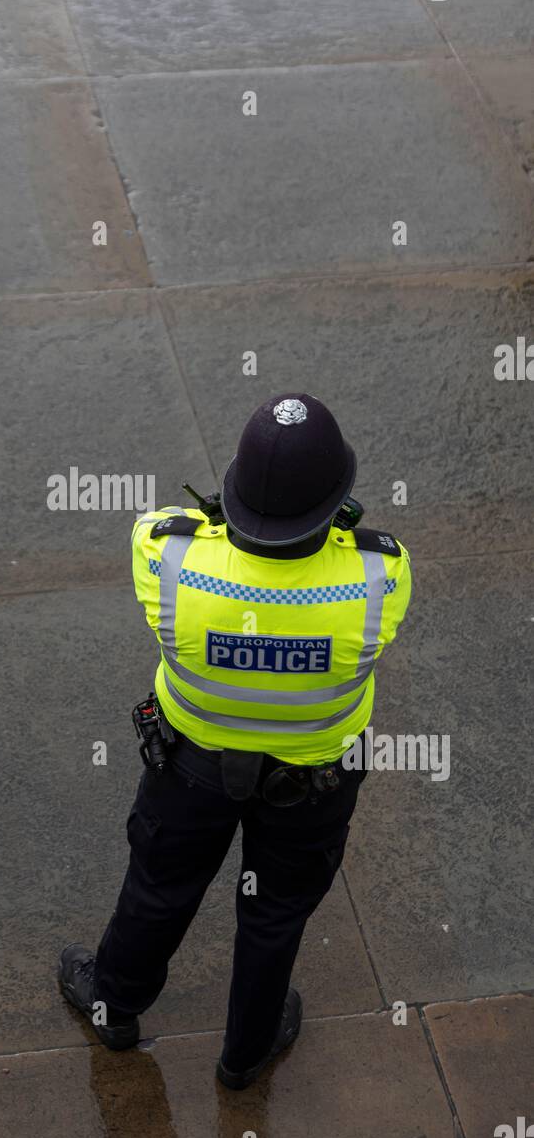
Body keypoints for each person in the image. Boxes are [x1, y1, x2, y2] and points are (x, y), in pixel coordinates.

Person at [59, 393, 411, 1087]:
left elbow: (164, 519)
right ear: (335, 500)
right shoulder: (379, 575)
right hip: (311, 785)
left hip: (188, 768)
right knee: (275, 913)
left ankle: (114, 1003)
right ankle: (245, 1052)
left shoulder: (167, 557)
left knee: (158, 886)